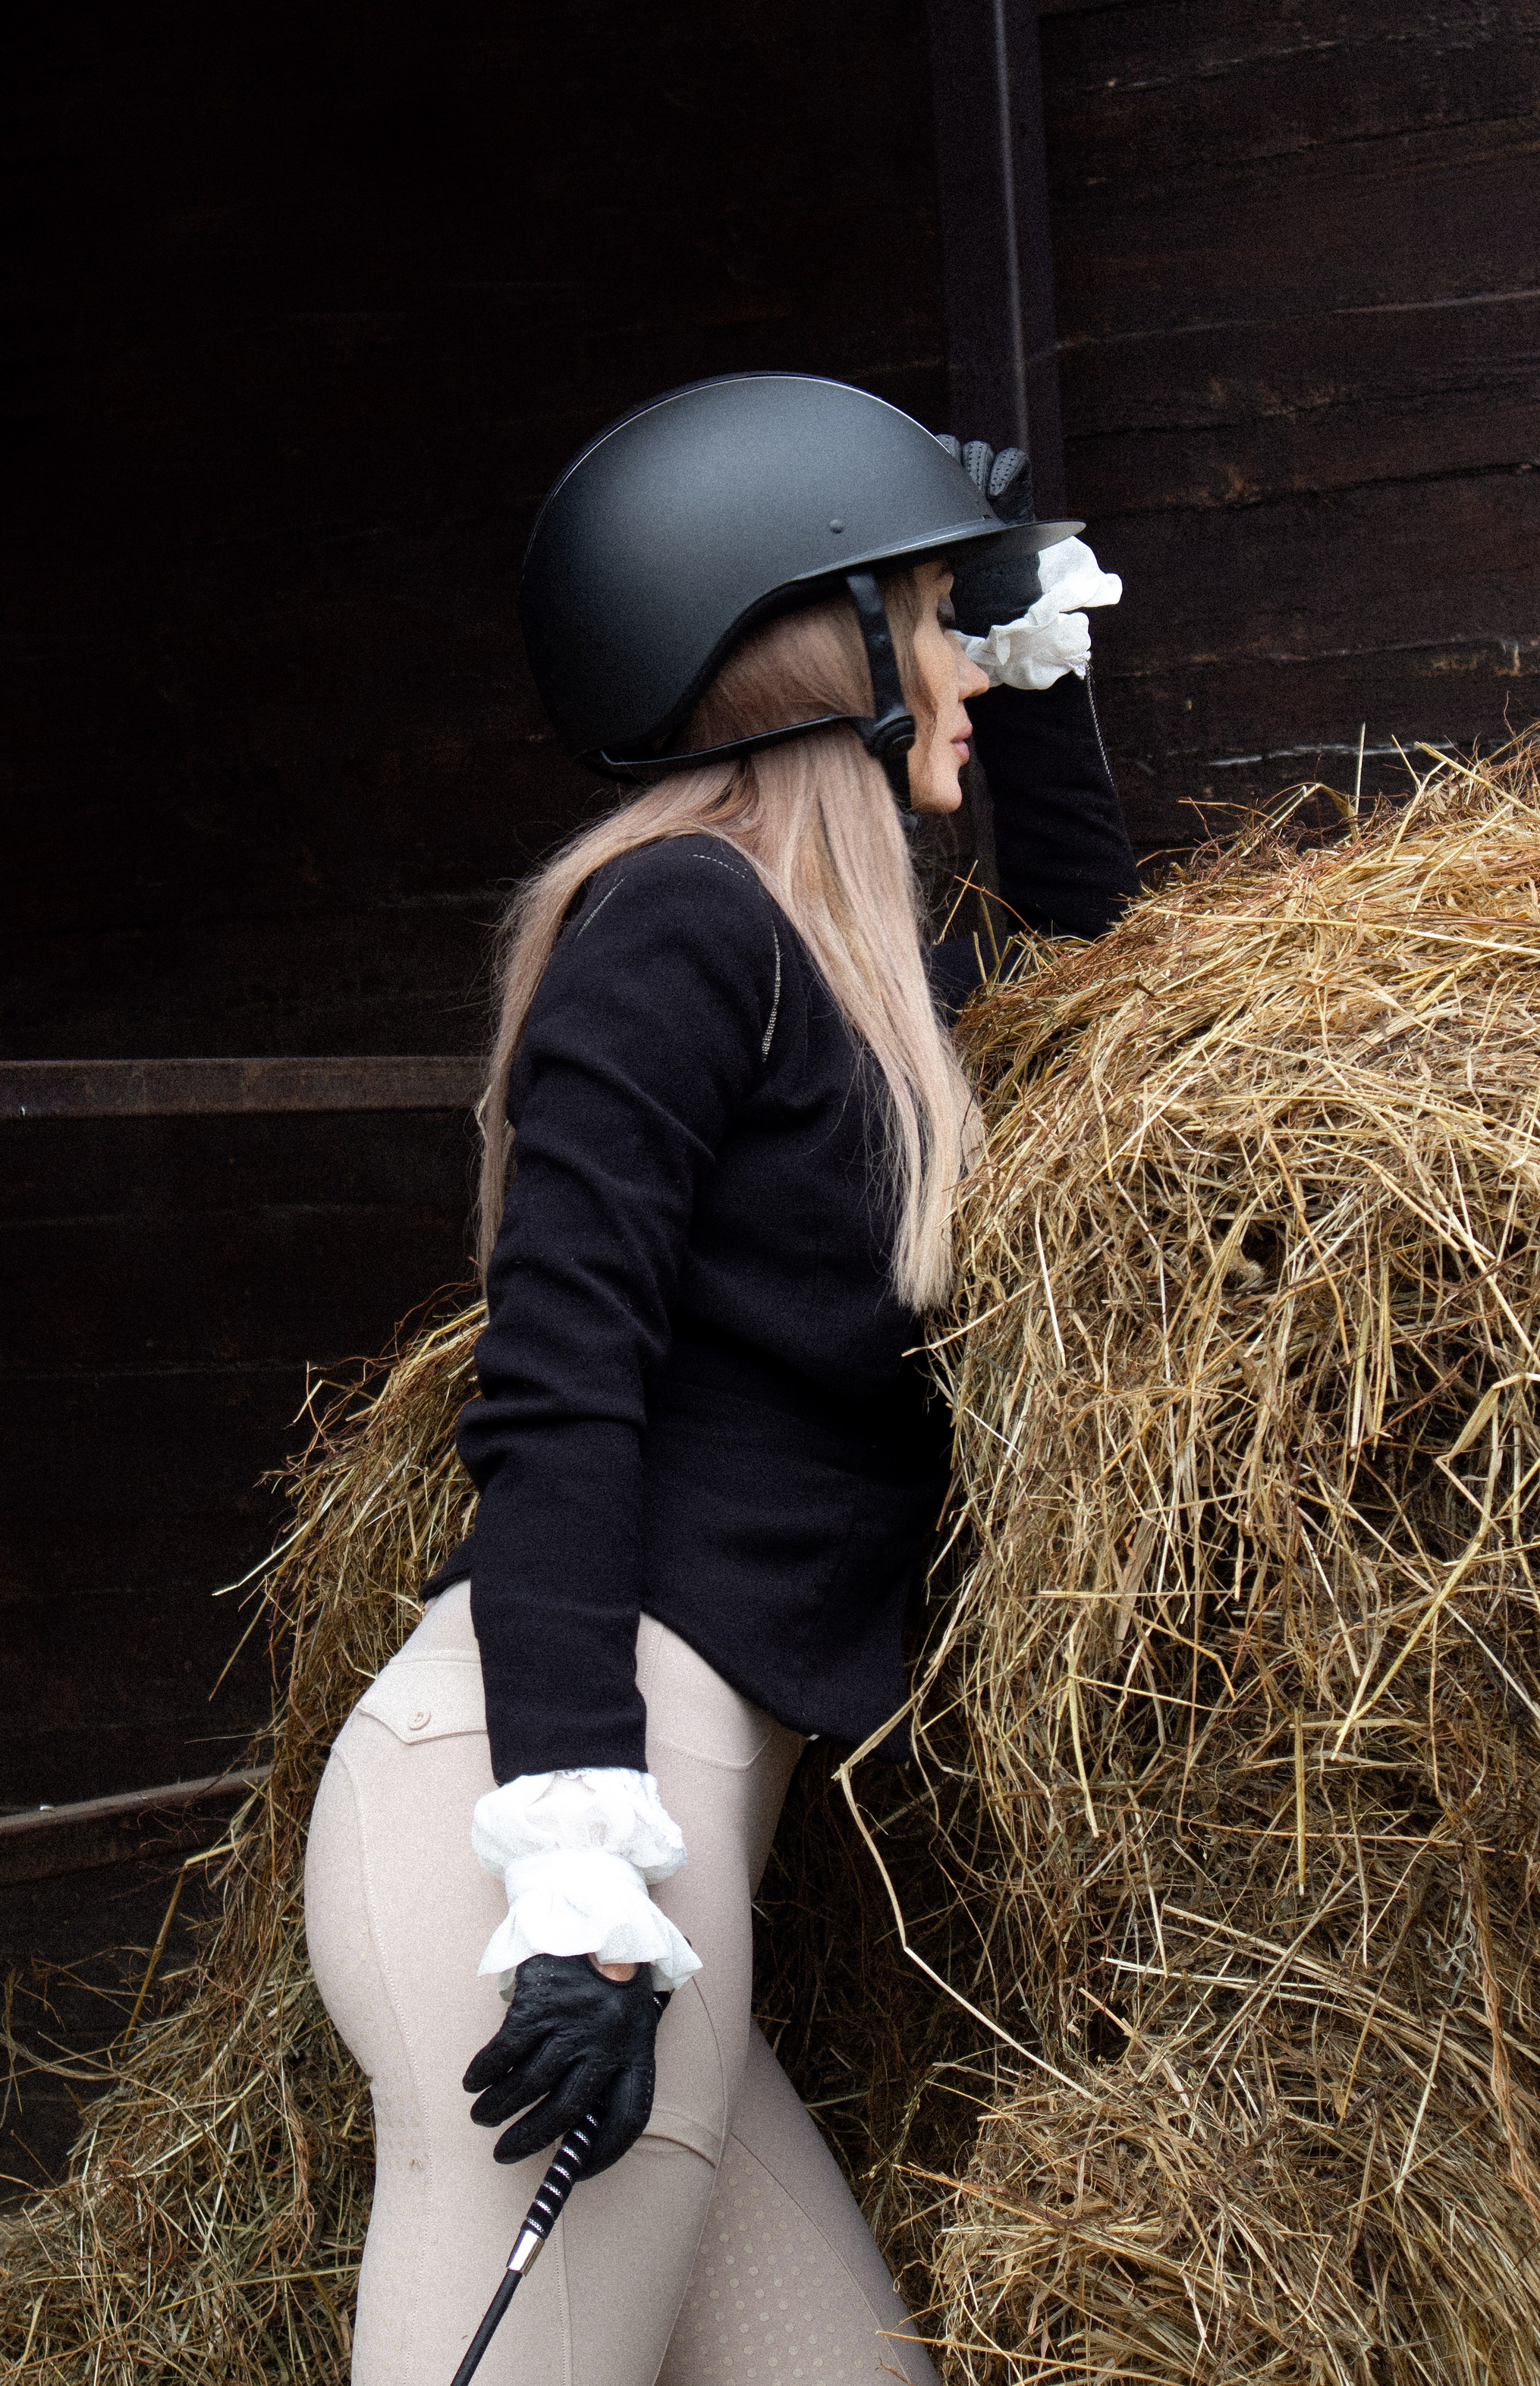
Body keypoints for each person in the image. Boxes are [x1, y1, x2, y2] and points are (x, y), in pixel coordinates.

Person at [303, 373, 1139, 2386]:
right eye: (932, 621)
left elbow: (1107, 960)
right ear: (822, 648)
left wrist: (1028, 643)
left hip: (676, 1832)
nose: (959, 666)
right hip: (550, 1814)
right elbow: (559, 1382)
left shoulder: (864, 974)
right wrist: (578, 1875)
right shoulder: (681, 927)